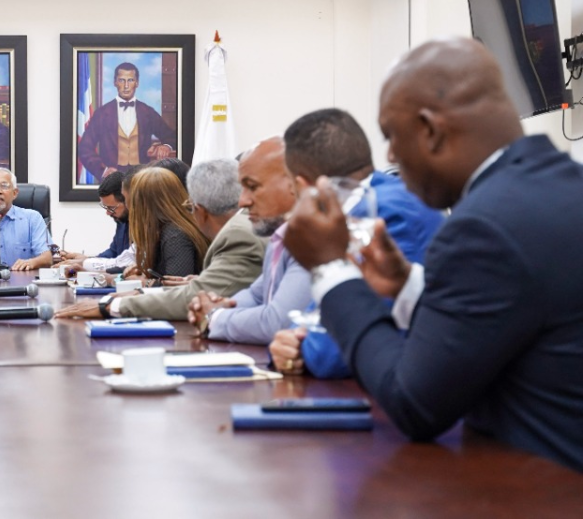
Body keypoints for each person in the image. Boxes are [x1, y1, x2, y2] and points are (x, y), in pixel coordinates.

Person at [283, 38, 583, 472]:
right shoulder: (560, 186)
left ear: (430, 130)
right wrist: (409, 285)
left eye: (391, 136)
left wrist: (330, 269)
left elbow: (414, 404)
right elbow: (513, 318)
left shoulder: (484, 225)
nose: (389, 156)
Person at [266, 108, 444, 377]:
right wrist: (290, 342)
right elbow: (316, 316)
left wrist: (299, 347)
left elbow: (336, 350)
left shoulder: (383, 212)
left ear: (302, 185)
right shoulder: (382, 198)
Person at [55, 158, 264, 320]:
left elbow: (187, 295)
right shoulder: (163, 232)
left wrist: (111, 305)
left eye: (131, 204)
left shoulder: (178, 234)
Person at [186, 136, 308, 345]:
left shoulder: (315, 238)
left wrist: (214, 317)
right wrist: (219, 307)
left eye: (252, 187)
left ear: (295, 184)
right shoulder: (281, 235)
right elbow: (255, 295)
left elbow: (278, 323)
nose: (242, 201)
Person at [77, 62, 176, 181]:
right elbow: (84, 147)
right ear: (115, 82)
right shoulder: (102, 114)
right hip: (112, 181)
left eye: (130, 80)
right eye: (122, 80)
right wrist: (103, 170)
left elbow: (172, 137)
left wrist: (166, 146)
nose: (126, 86)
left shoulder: (147, 112)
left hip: (141, 179)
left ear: (137, 83)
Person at [126, 167, 209, 278]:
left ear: (142, 204)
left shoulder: (175, 235)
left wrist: (142, 282)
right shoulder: (174, 228)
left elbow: (176, 285)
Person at [60, 170, 130, 265]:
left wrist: (85, 262)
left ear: (128, 201)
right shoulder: (121, 221)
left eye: (111, 208)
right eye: (105, 207)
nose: (108, 213)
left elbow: (127, 262)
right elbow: (113, 253)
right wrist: (88, 260)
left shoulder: (146, 225)